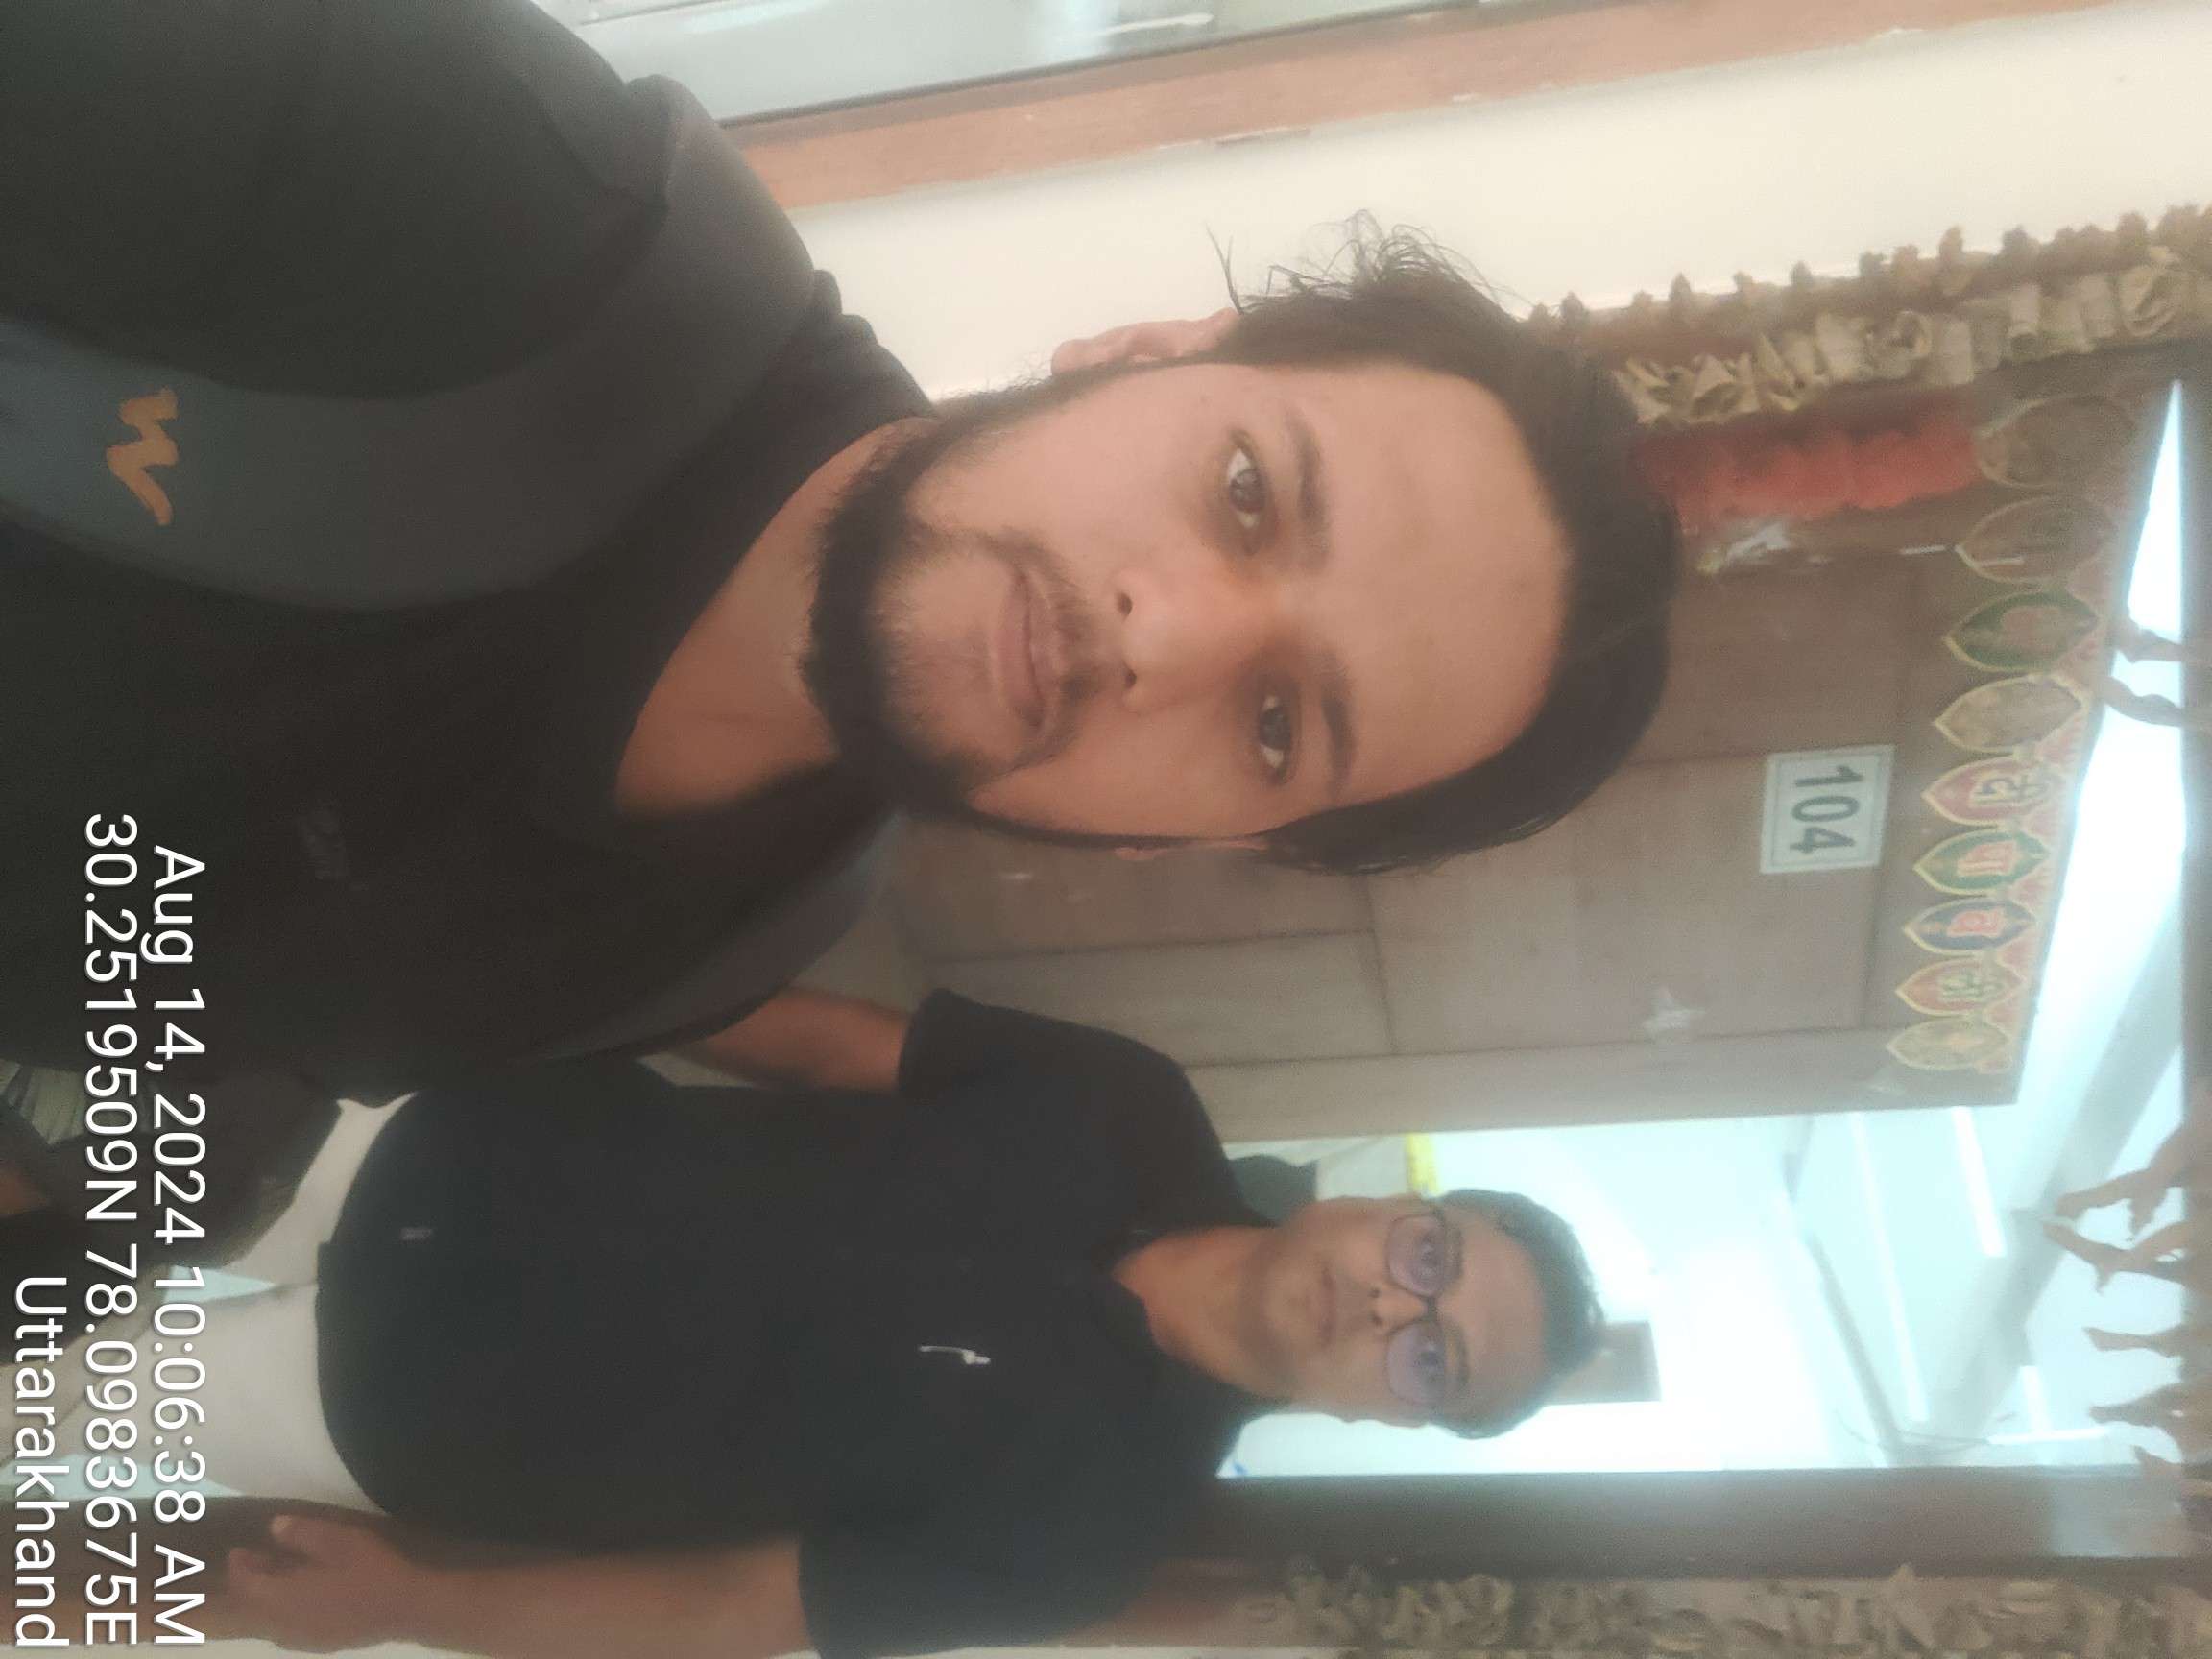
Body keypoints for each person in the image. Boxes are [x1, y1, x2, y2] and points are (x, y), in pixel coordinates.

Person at [0, 0, 1677, 1254]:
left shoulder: (712, 950)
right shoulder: (465, 181)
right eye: (1248, 489)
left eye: (1274, 725)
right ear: (1142, 349)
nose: (1166, 635)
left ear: (1181, 841)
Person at [31, 991, 1602, 1658]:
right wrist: (520, 979)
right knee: (44, 1131)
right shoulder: (1130, 1101)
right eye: (1429, 1255)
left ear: (1391, 1416)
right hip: (433, 1135)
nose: (1389, 1301)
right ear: (1393, 1204)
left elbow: (731, 1606)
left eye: (1432, 1355)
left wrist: (414, 1603)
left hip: (390, 1409)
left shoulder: (1089, 1539)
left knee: (37, 1397)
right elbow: (811, 1041)